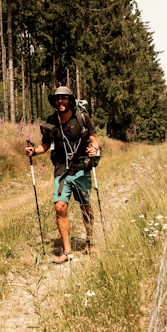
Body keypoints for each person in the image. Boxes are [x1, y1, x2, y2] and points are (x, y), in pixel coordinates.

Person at [25, 86, 100, 264]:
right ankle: (67, 251)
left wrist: (94, 149)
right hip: (61, 168)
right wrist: (34, 151)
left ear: (70, 100)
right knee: (60, 207)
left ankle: (89, 240)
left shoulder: (82, 117)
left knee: (85, 206)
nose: (61, 101)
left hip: (81, 166)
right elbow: (45, 144)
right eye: (58, 99)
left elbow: (94, 139)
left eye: (64, 98)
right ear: (54, 101)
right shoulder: (52, 121)